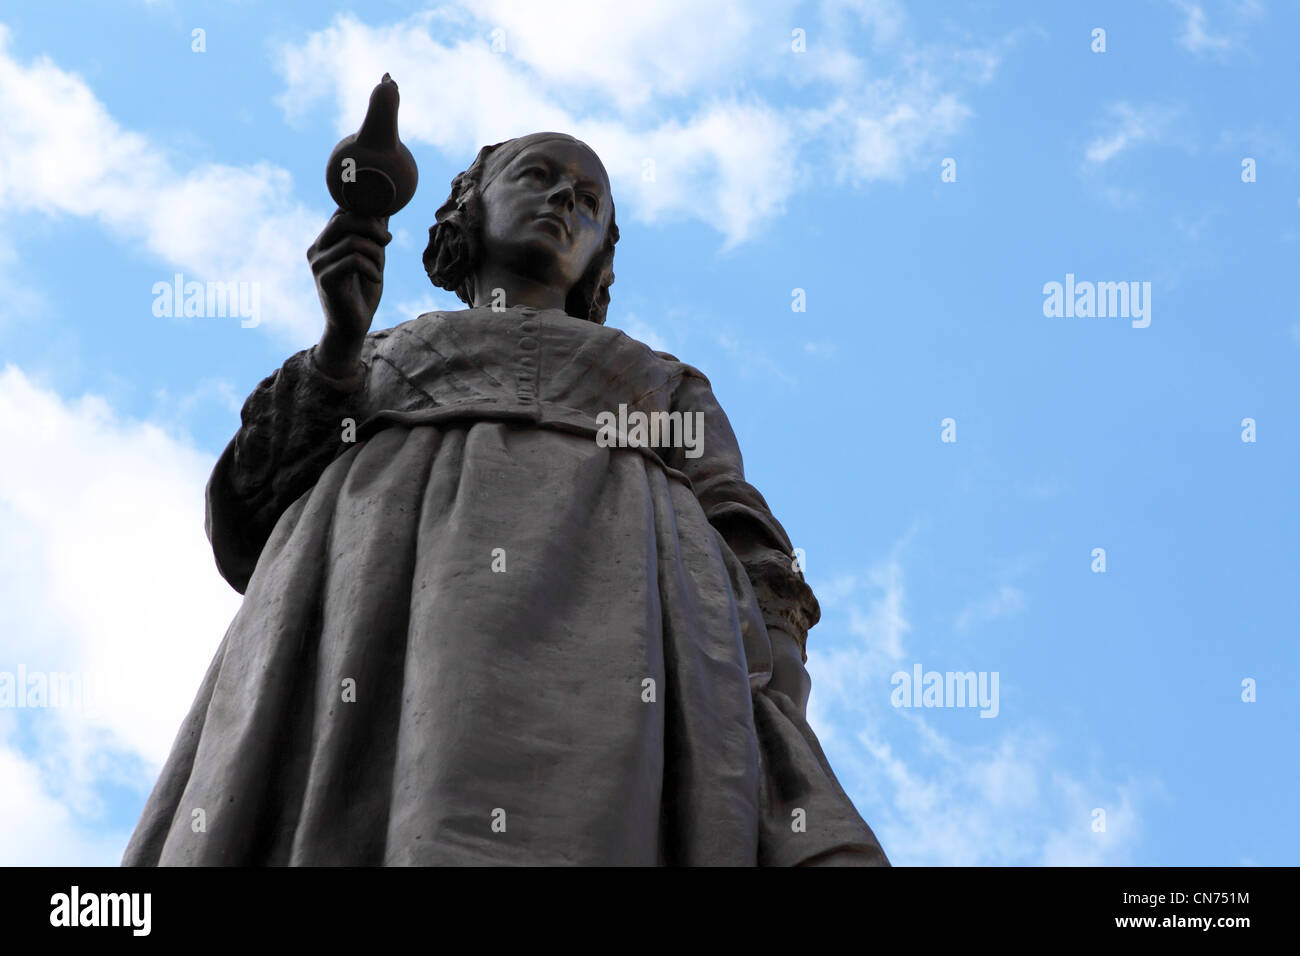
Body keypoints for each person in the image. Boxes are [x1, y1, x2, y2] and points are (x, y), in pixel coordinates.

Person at [122, 131, 888, 866]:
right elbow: (250, 512)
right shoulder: (377, 350)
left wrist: (783, 674)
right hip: (383, 597)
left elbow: (742, 526)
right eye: (537, 175)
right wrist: (338, 345)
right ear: (470, 209)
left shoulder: (662, 378)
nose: (565, 198)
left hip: (620, 614)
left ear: (600, 255)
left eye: (591, 200)